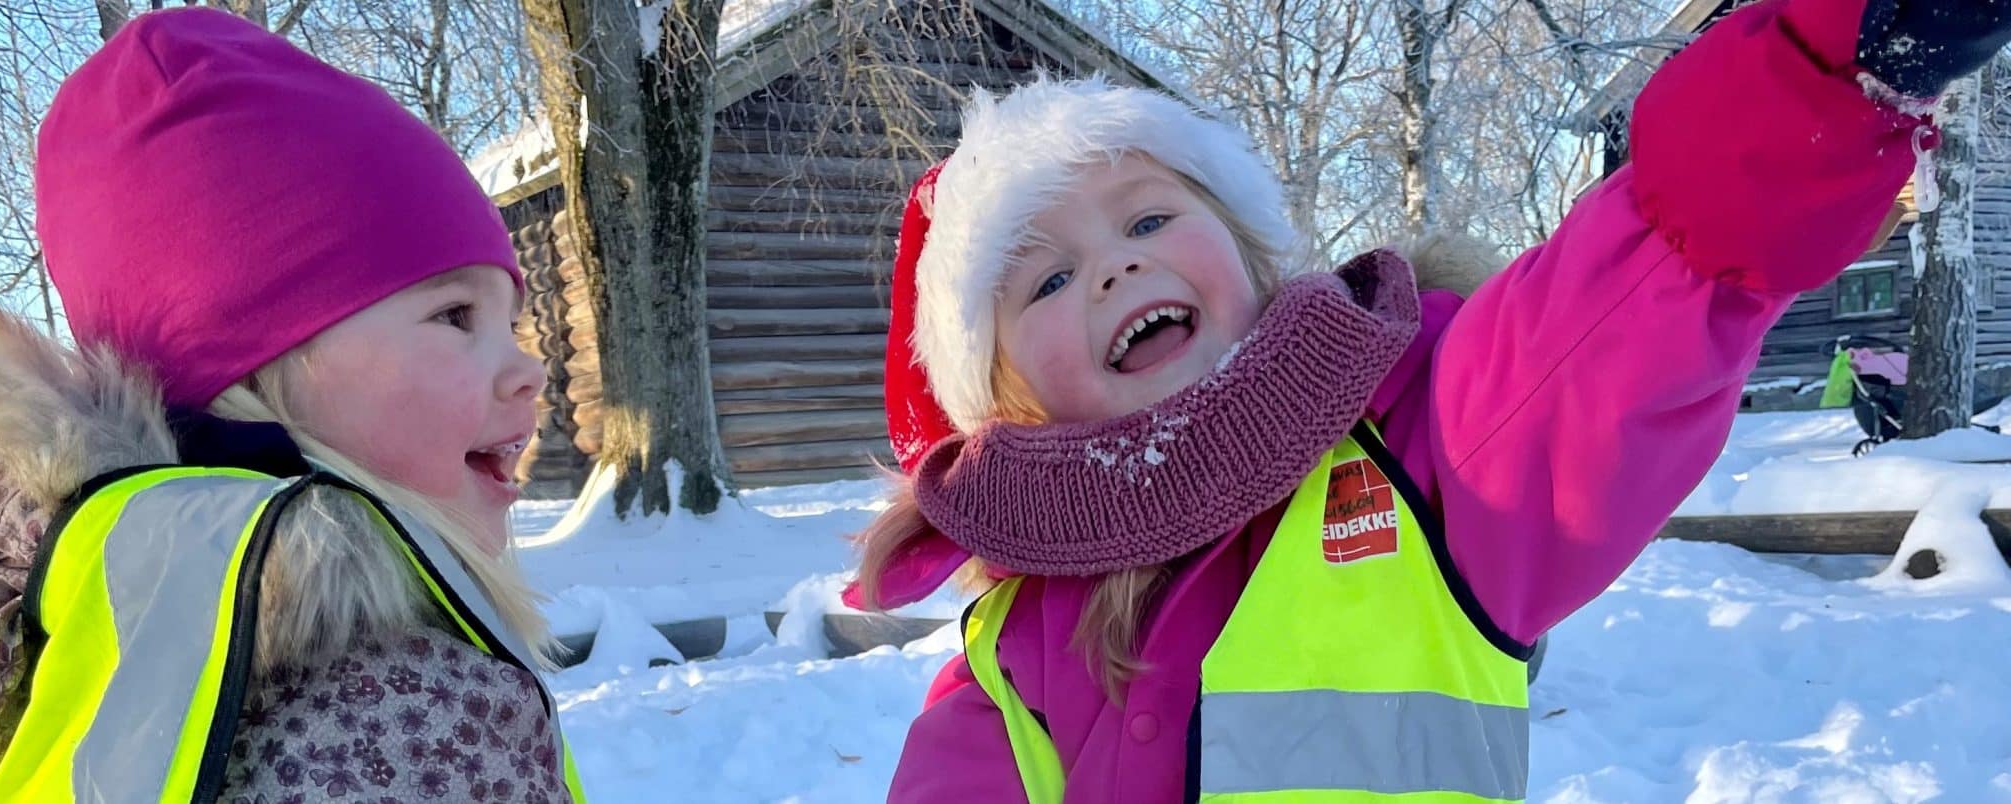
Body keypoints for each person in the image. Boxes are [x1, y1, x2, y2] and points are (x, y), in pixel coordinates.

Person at [848, 0, 2011, 800]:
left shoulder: (1432, 439)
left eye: (1149, 218)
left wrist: (1818, 63)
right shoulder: (1015, 644)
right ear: (1004, 405)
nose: (1115, 265)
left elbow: (1645, 276)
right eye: (1046, 277)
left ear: (1252, 260)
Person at [0, 8, 584, 802]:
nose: (529, 368)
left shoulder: (91, 643)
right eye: (455, 316)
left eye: (515, 322)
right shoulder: (412, 716)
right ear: (255, 376)